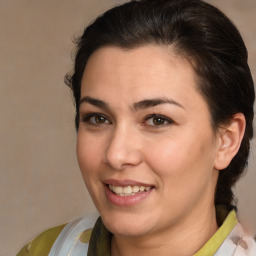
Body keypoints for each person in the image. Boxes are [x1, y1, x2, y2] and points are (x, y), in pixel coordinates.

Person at [17, 0, 256, 255]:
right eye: (98, 118)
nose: (116, 155)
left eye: (157, 120)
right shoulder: (45, 250)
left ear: (226, 140)